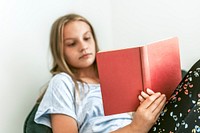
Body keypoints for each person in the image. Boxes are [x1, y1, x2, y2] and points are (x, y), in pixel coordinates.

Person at [34, 13, 200, 133]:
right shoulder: (63, 82)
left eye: (87, 38)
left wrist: (152, 108)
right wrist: (136, 127)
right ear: (59, 50)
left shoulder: (114, 75)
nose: (83, 46)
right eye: (71, 43)